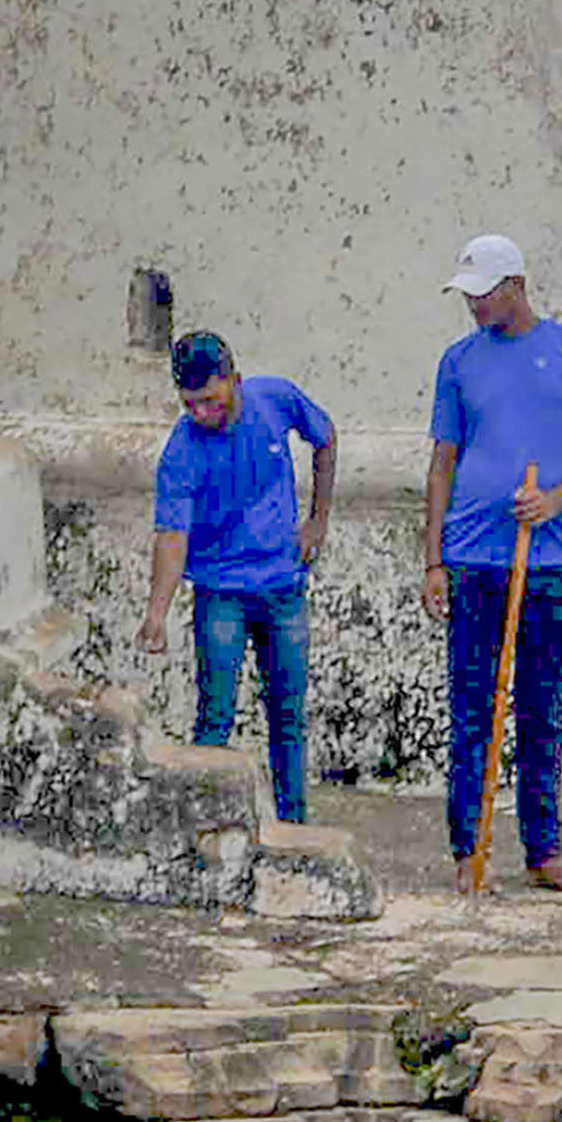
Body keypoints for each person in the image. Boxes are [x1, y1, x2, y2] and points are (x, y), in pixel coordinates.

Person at [420, 235, 562, 894]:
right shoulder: (457, 362)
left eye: (485, 292)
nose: (475, 304)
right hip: (475, 560)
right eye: (468, 294)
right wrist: (433, 560)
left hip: (551, 563)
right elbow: (443, 462)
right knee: (473, 708)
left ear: (517, 284)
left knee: (542, 710)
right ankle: (467, 850)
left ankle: (545, 851)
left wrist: (555, 498)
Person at [143, 329, 335, 824]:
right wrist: (157, 613)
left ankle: (294, 825)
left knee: (288, 716)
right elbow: (171, 536)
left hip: (283, 587)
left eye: (210, 400)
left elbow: (325, 437)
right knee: (215, 716)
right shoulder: (181, 453)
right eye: (191, 405)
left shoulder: (276, 399)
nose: (202, 414)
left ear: (236, 382)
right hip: (220, 594)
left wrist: (319, 519)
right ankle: (206, 826)